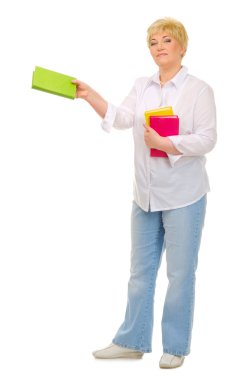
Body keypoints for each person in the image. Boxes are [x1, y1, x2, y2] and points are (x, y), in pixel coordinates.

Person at [72, 17, 217, 369]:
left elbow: (208, 138)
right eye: (153, 42)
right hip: (145, 195)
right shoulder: (142, 86)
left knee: (180, 273)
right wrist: (90, 95)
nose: (160, 46)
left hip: (184, 195)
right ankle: (132, 340)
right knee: (140, 271)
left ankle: (176, 346)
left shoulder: (198, 90)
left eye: (167, 40)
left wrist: (167, 143)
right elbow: (122, 117)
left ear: (182, 46)